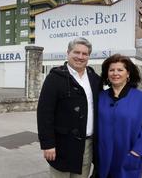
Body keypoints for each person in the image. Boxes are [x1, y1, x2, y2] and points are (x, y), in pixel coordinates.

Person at [37, 37, 101, 178]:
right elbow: (44, 113)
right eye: (76, 52)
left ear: (89, 56)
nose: (80, 57)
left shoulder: (94, 78)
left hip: (87, 145)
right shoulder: (55, 78)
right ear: (68, 53)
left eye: (85, 54)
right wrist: (48, 144)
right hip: (62, 146)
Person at [98, 54, 142, 178]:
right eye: (111, 70)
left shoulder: (140, 98)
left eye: (120, 70)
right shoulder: (100, 97)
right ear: (107, 74)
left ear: (128, 74)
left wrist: (137, 152)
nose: (115, 73)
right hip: (103, 157)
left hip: (129, 157)